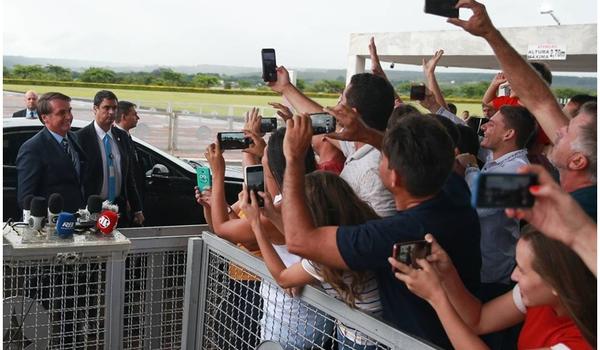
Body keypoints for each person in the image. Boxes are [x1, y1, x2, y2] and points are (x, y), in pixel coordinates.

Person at [279, 112, 481, 348]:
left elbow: (299, 241)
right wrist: (367, 134)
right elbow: (422, 157)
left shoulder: (390, 235)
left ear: (394, 177)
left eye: (382, 158)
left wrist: (293, 159)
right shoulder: (454, 191)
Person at [447, 0, 597, 218]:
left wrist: (467, 169)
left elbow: (482, 201)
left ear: (577, 161)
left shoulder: (578, 213)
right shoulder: (559, 192)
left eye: (568, 131)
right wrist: (490, 34)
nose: (559, 130)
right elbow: (541, 102)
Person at [202, 128, 334, 350]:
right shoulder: (318, 192)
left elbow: (223, 228)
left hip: (288, 323)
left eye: (264, 167)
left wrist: (218, 173)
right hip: (313, 320)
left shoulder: (285, 209)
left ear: (274, 170)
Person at [241, 171, 381, 349]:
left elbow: (283, 278)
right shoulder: (361, 231)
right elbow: (305, 245)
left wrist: (256, 225)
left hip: (360, 339)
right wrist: (272, 216)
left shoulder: (329, 254)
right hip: (376, 332)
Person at [390, 229, 595, 349]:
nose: (514, 276)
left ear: (557, 284)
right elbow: (478, 320)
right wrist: (448, 275)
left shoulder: (579, 343)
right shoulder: (539, 296)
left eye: (522, 270)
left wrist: (436, 298)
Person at [269, 66, 397, 217]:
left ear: (352, 115)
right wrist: (286, 88)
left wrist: (293, 157)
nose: (334, 109)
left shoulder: (374, 171)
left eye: (341, 101)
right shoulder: (362, 145)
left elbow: (378, 231)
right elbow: (323, 121)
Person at [505, 164, 597, 277]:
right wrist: (578, 234)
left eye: (522, 270)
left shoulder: (586, 201)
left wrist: (578, 234)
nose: (513, 276)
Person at [76, 90, 144, 227]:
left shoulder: (122, 137)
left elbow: (129, 177)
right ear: (95, 109)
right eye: (106, 108)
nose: (112, 112)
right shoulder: (80, 138)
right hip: (91, 210)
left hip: (118, 209)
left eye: (114, 108)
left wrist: (137, 209)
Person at [16, 92, 86, 213]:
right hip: (52, 223)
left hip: (77, 219)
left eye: (69, 111)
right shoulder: (32, 148)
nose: (69, 117)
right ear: (44, 118)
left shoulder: (74, 138)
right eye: (61, 113)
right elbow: (25, 199)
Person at [114, 101, 146, 219]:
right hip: (125, 200)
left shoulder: (127, 137)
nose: (138, 117)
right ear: (123, 117)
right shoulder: (116, 139)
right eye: (134, 114)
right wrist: (127, 199)